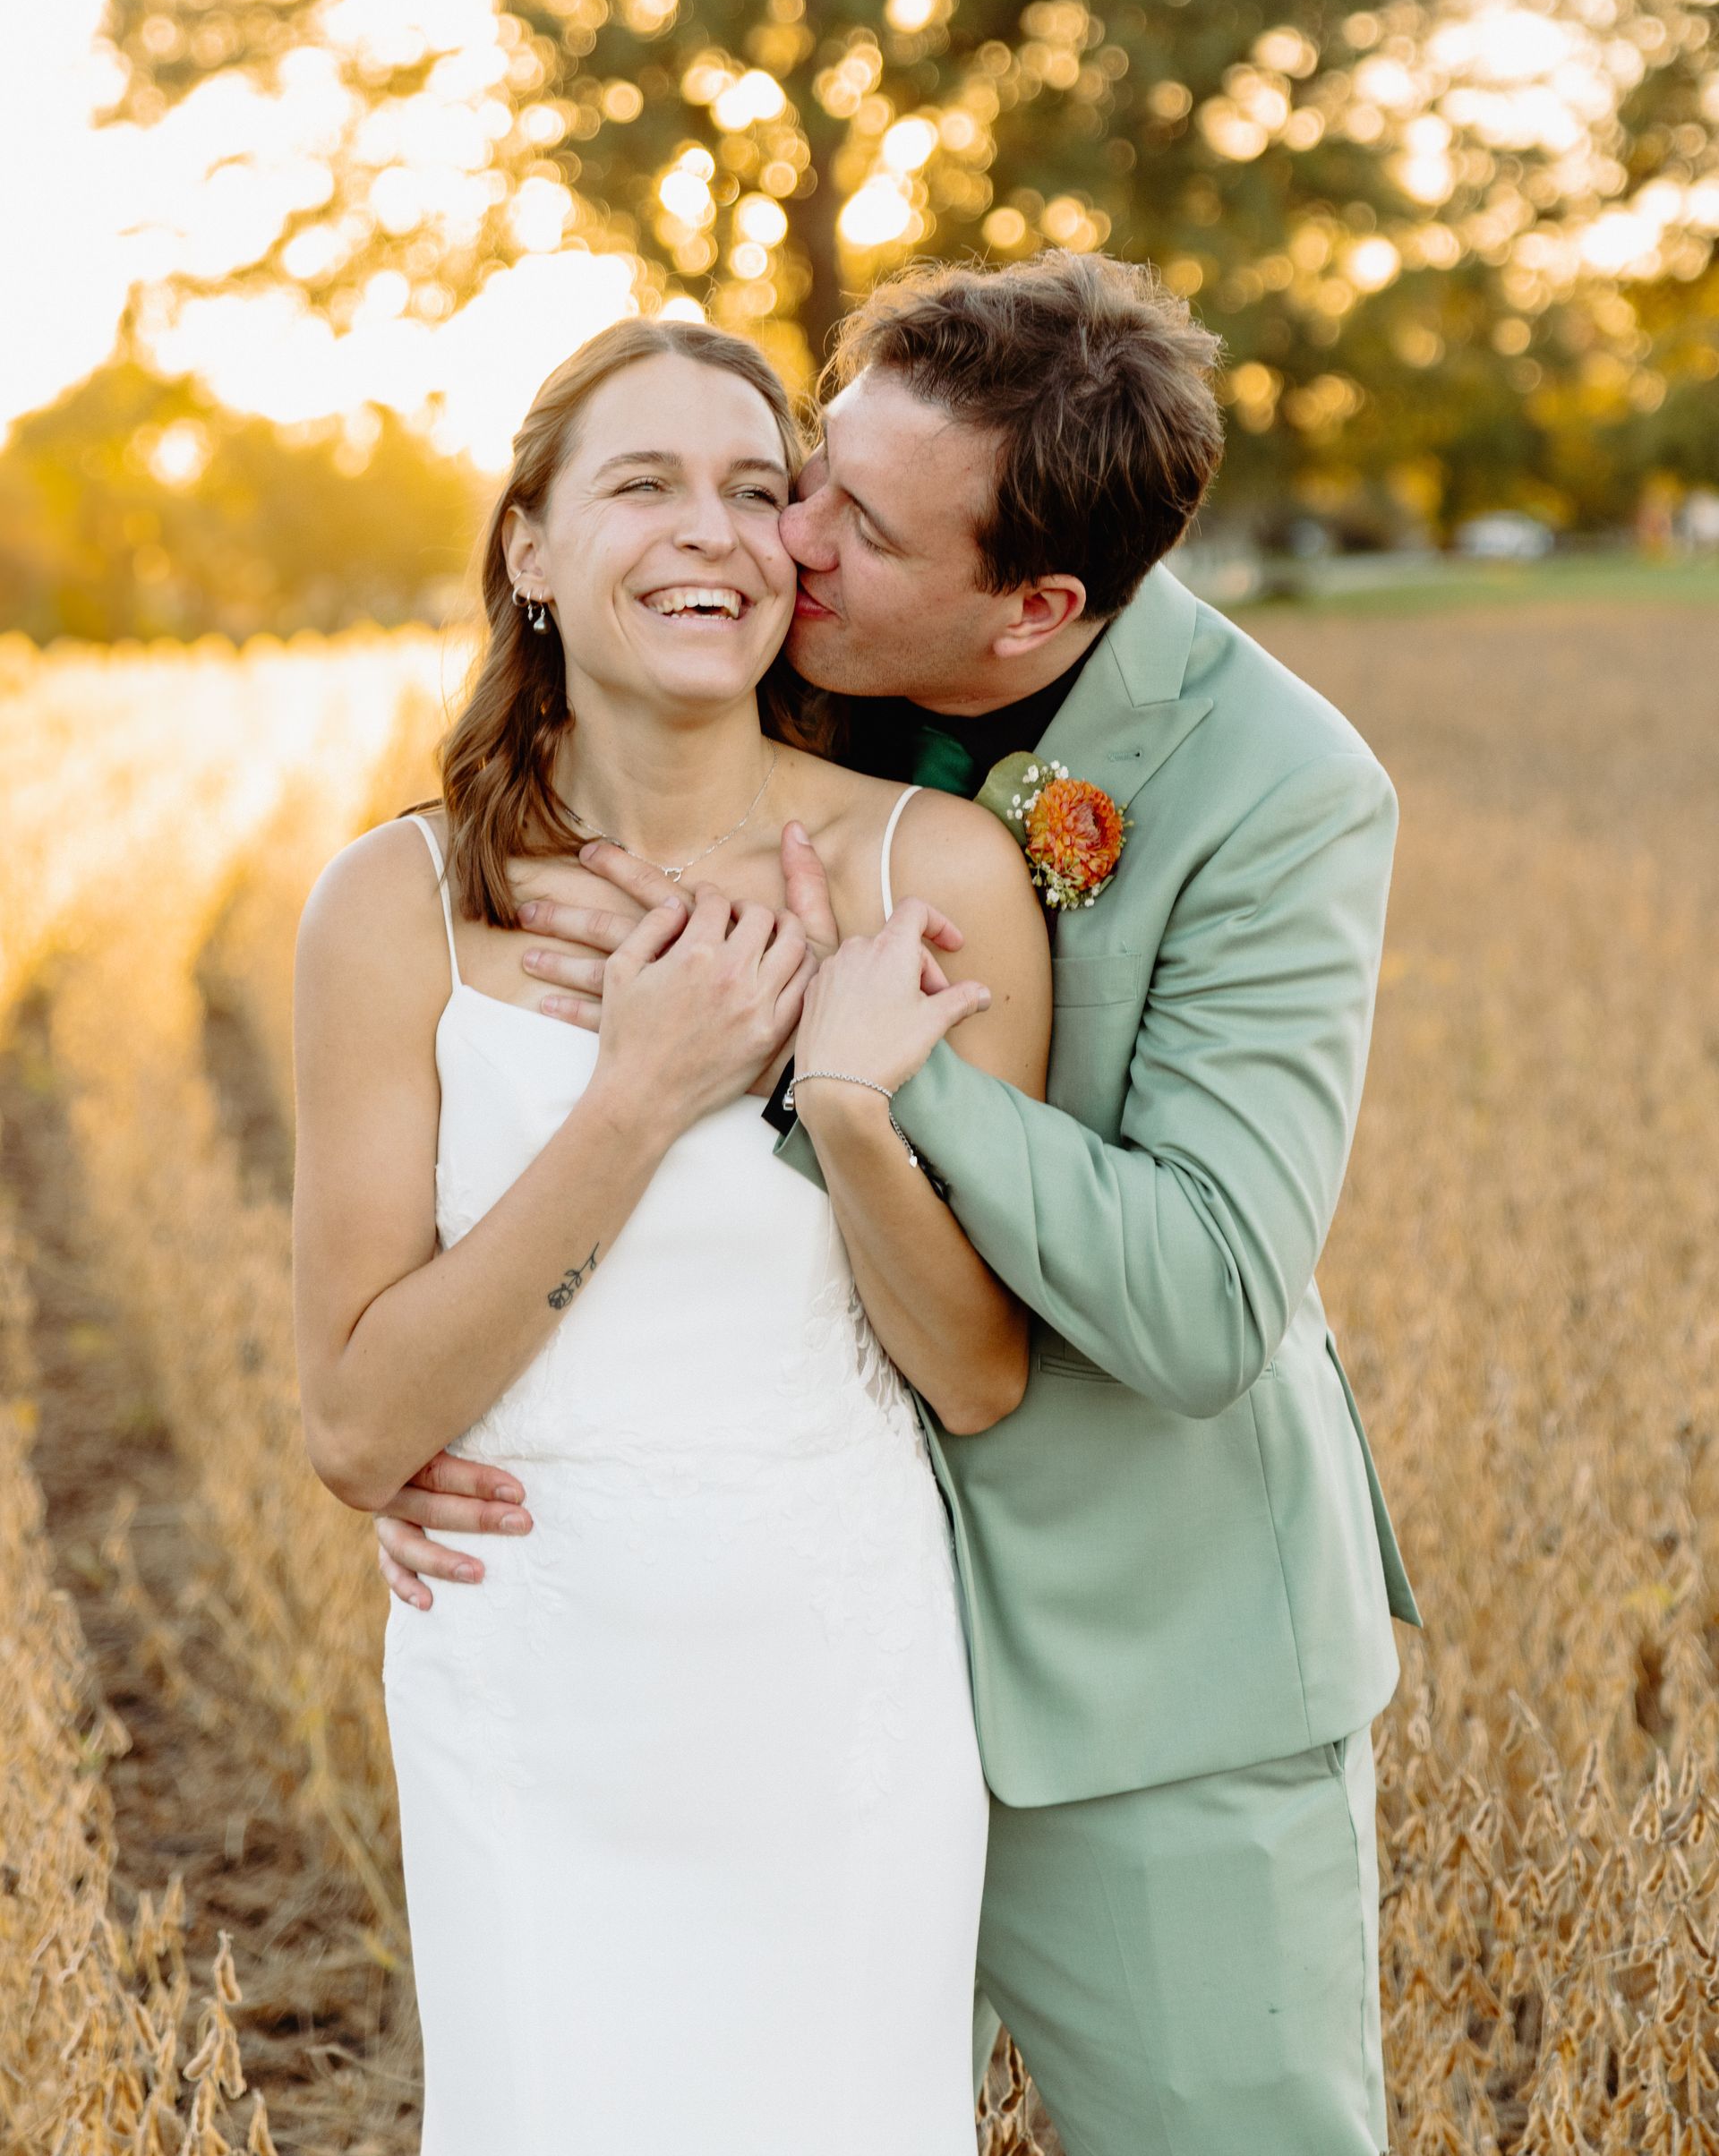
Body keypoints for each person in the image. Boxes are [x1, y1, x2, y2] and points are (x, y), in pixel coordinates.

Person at [377, 253, 1422, 2156]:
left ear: (1034, 612)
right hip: (771, 1654)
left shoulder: (1284, 793)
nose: (790, 543)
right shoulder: (772, 652)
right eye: (808, 472)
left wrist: (852, 1058)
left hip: (1139, 1679)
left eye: (852, 519)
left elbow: (1203, 1298)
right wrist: (508, 1442)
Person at [291, 315, 1055, 2156]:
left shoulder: (932, 881)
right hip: (527, 1679)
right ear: (531, 553)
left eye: (753, 488)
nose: (711, 532)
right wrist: (644, 1090)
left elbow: (974, 1376)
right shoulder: (392, 908)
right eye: (642, 484)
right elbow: (354, 1428)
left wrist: (842, 1093)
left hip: (836, 1678)